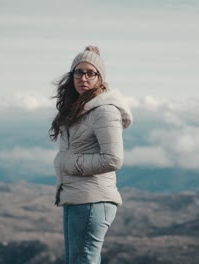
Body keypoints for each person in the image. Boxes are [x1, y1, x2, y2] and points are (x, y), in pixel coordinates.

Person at [49, 45, 133, 263]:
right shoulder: (81, 108)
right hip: (76, 197)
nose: (83, 78)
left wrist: (69, 163)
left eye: (90, 73)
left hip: (93, 201)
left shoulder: (105, 111)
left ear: (100, 77)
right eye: (78, 72)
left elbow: (113, 158)